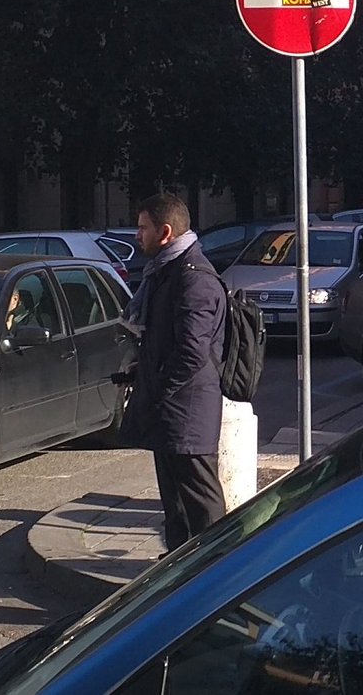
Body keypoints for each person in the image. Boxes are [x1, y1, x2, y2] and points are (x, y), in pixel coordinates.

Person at [119, 192, 228, 553]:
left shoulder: (193, 279)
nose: (137, 235)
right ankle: (179, 574)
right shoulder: (167, 272)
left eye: (143, 228)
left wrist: (159, 389)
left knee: (202, 507)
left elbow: (192, 353)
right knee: (176, 509)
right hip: (171, 411)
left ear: (165, 232)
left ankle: (218, 571)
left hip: (187, 412)